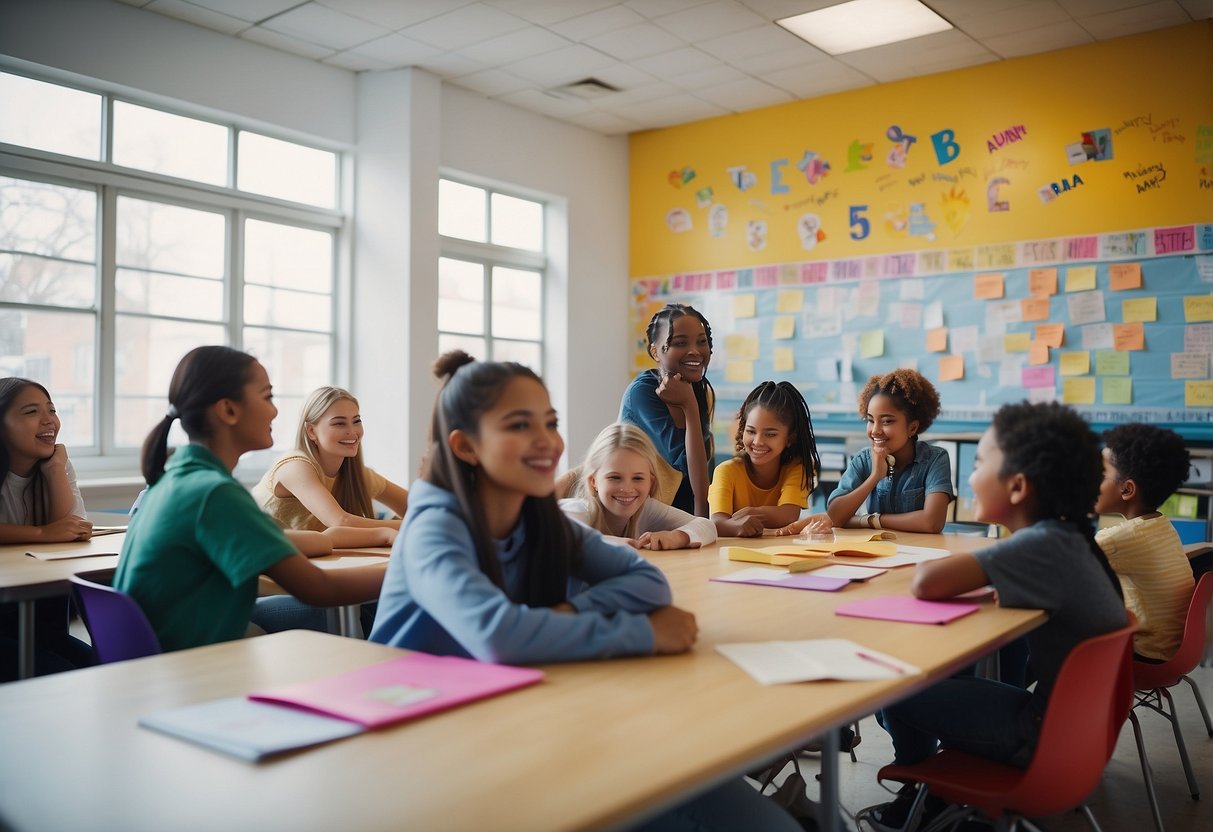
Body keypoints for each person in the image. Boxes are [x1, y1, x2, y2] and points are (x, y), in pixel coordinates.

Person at [370, 351, 798, 832]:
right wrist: (642, 635)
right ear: (466, 447)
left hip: (524, 714)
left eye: (550, 423)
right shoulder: (436, 527)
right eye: (518, 426)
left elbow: (647, 581)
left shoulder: (538, 519)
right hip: (429, 746)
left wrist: (567, 610)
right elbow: (497, 634)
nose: (547, 441)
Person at [860, 402, 1127, 832]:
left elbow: (926, 582)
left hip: (1039, 736)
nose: (970, 476)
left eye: (981, 462)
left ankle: (924, 794)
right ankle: (938, 793)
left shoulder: (1042, 544)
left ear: (1017, 487)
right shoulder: (1070, 538)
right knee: (954, 678)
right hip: (1076, 734)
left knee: (896, 689)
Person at [113, 346, 386, 652]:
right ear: (228, 410)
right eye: (267, 396)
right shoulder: (214, 493)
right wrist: (409, 565)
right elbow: (320, 589)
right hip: (187, 671)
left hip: (163, 660)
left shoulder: (178, 477)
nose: (275, 410)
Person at [781, 369, 951, 535]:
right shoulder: (864, 459)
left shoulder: (935, 459)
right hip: (878, 551)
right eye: (870, 420)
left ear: (912, 427)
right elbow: (836, 516)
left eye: (887, 421)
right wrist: (875, 476)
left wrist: (870, 520)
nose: (875, 430)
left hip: (922, 551)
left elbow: (932, 522)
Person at [0, 378, 94, 679]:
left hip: (42, 626)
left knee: (102, 672)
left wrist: (54, 471)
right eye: (31, 412)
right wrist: (42, 534)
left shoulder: (57, 464)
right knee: (63, 680)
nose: (49, 420)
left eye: (52, 410)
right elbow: (56, 533)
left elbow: (72, 532)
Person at [252, 385, 407, 549]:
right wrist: (414, 525)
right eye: (339, 423)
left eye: (356, 421)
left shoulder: (356, 474)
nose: (352, 431)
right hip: (256, 563)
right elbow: (341, 522)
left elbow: (416, 505)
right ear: (311, 431)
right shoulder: (295, 466)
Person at [1095, 424, 1194, 662]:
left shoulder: (1116, 540)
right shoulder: (1161, 525)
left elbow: (1057, 559)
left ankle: (1035, 698)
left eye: (1098, 475)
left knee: (1045, 635)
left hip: (1141, 653)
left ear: (1127, 489)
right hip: (1173, 651)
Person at [620, 303, 715, 517]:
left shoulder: (698, 390)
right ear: (655, 351)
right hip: (636, 515)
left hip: (678, 514)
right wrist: (689, 406)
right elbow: (684, 465)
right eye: (680, 343)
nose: (695, 351)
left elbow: (702, 468)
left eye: (702, 341)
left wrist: (704, 527)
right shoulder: (642, 393)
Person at [561, 422, 716, 550]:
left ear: (651, 483)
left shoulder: (646, 509)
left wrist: (678, 536)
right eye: (614, 477)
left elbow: (707, 526)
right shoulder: (579, 510)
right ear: (593, 481)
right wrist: (610, 543)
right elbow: (559, 536)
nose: (627, 488)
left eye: (638, 478)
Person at [710, 381, 822, 538]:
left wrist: (751, 514)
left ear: (790, 438)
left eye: (770, 434)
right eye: (751, 431)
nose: (757, 441)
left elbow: (789, 514)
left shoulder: (797, 468)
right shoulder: (726, 471)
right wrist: (737, 527)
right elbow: (716, 523)